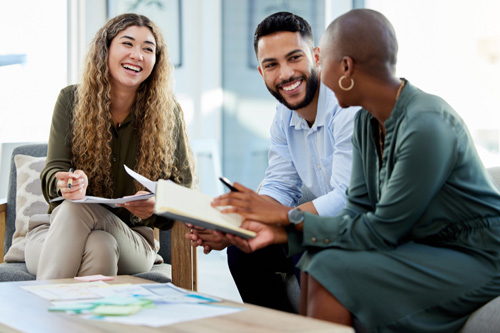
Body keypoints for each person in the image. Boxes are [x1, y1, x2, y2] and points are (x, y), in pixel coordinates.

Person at [220, 8, 500, 332]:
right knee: (318, 262)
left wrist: (286, 221)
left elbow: (383, 230)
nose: (317, 73)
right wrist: (276, 230)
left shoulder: (426, 124)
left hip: (475, 255)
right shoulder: (369, 121)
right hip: (422, 244)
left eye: (322, 61)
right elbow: (357, 207)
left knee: (329, 270)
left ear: (346, 67)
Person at [187, 11, 358, 312]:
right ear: (261, 72)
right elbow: (280, 184)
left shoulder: (346, 108)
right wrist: (233, 227)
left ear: (316, 56)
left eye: (294, 58)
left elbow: (345, 198)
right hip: (314, 220)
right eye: (272, 65)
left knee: (304, 245)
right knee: (243, 252)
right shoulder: (283, 116)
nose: (286, 74)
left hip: (352, 227)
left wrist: (279, 218)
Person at [24, 13, 194, 280]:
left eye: (147, 49)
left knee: (79, 214)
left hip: (133, 240)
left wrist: (156, 204)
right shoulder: (71, 100)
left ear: (156, 61)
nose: (137, 55)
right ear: (106, 49)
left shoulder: (168, 113)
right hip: (54, 233)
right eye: (127, 44)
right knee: (99, 245)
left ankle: (39, 313)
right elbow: (54, 170)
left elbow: (184, 192)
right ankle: (82, 322)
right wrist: (67, 184)